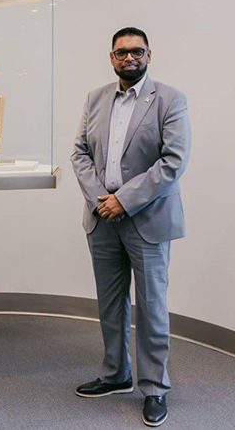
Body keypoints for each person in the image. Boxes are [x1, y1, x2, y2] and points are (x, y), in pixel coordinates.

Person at [70, 27, 190, 427]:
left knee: (152, 307)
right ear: (111, 58)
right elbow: (80, 152)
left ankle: (154, 388)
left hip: (148, 220)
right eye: (121, 53)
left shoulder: (170, 100)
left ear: (149, 55)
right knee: (110, 304)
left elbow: (173, 162)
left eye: (137, 51)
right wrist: (100, 200)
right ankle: (115, 375)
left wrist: (125, 199)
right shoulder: (96, 98)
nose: (129, 58)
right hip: (102, 219)